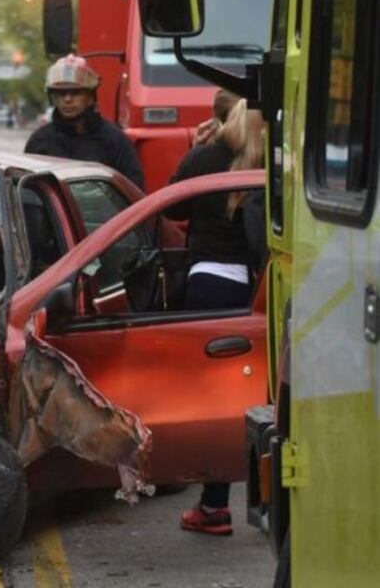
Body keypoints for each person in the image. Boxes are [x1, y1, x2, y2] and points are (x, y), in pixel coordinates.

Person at [166, 98, 266, 536]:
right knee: (247, 399)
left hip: (208, 286)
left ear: (221, 119)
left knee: (205, 398)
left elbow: (172, 208)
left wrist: (194, 150)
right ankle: (258, 503)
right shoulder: (269, 161)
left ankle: (212, 506)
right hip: (252, 290)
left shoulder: (206, 157)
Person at [25, 54, 144, 189]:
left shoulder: (114, 141)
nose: (67, 99)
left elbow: (133, 189)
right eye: (61, 93)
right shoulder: (40, 141)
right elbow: (27, 191)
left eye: (75, 92)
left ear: (90, 97)